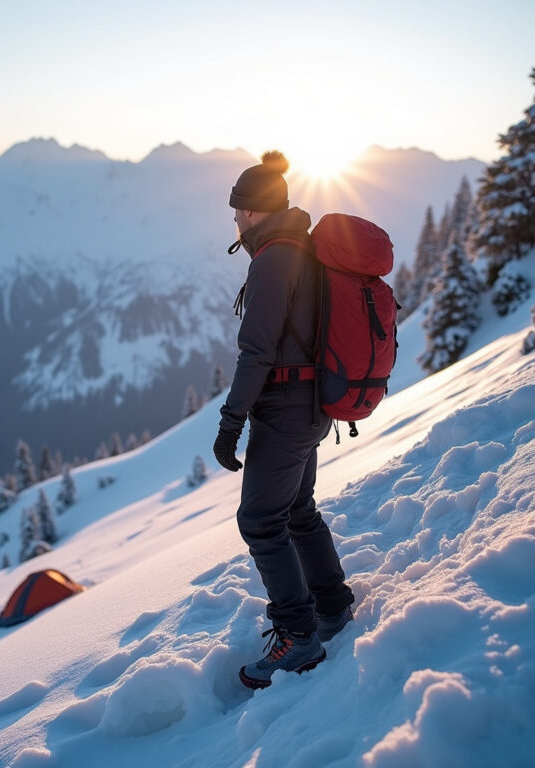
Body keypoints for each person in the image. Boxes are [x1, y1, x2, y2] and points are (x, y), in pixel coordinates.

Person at [213, 151, 355, 689]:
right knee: (296, 509)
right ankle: (332, 605)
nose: (233, 222)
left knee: (260, 521)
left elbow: (257, 352)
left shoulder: (274, 259)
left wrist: (231, 423)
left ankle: (298, 635)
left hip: (286, 408)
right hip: (312, 403)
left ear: (252, 212)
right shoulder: (303, 248)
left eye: (235, 212)